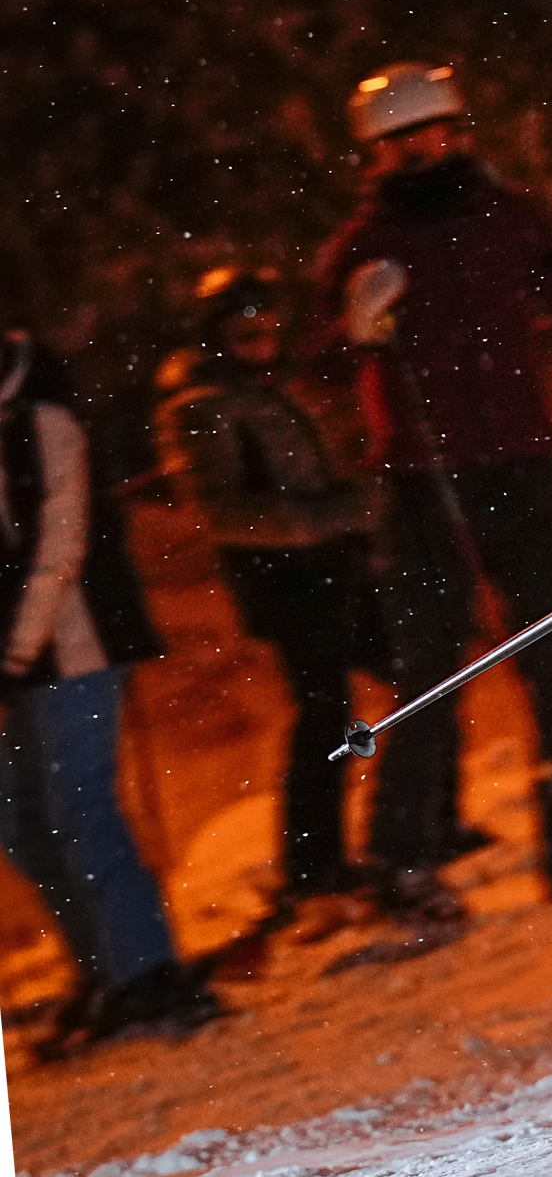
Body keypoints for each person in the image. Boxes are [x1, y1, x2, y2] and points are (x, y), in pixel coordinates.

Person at [315, 62, 552, 908]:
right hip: (421, 481)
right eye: (405, 141)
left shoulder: (509, 218)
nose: (428, 150)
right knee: (428, 666)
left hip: (521, 460)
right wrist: (354, 331)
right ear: (377, 152)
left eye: (439, 131)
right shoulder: (363, 248)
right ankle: (403, 857)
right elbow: (317, 366)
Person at [0, 326, 222, 1052]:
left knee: (80, 808)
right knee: (23, 817)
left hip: (76, 640)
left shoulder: (43, 421)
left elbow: (60, 542)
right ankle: (102, 967)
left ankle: (150, 971)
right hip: (26, 652)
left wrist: (18, 646)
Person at [156, 267, 385, 911]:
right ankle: (313, 863)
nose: (261, 341)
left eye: (269, 329)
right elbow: (219, 511)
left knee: (414, 673)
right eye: (245, 331)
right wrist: (335, 513)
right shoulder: (200, 406)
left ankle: (414, 823)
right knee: (325, 713)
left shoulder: (276, 388)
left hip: (335, 566)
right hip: (284, 580)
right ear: (217, 336)